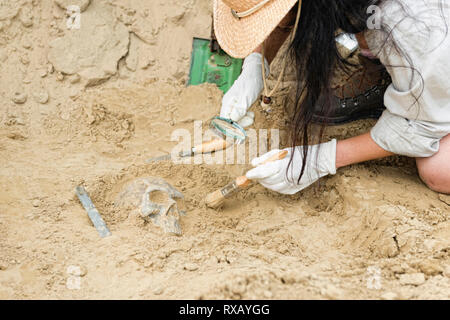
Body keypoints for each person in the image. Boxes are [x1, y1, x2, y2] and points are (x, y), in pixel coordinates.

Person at [213, 0, 450, 194]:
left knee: (439, 170)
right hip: (422, 49)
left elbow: (422, 125)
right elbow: (284, 9)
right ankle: (392, 76)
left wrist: (322, 159)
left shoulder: (414, 27)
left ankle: (409, 81)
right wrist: (257, 63)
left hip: (434, 48)